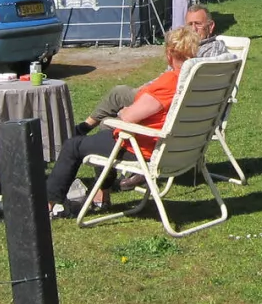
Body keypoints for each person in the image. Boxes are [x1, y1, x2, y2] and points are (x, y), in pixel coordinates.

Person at [48, 26, 200, 215]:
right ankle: (101, 196)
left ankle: (50, 204)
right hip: (180, 150)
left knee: (73, 145)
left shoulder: (170, 82)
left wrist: (124, 112)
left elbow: (127, 117)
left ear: (169, 52)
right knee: (103, 138)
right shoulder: (197, 81)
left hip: (143, 149)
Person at [73, 5, 227, 136]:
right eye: (189, 24)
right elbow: (168, 76)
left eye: (198, 24)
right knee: (119, 92)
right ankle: (86, 126)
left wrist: (144, 98)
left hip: (171, 103)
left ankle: (92, 140)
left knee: (108, 122)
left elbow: (183, 83)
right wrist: (145, 88)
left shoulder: (212, 50)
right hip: (166, 96)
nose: (193, 29)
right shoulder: (188, 47)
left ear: (210, 26)